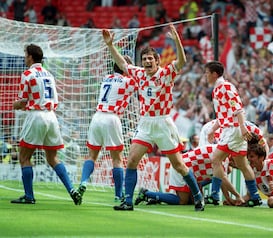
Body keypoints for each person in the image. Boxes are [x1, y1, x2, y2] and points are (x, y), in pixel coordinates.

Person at [102, 24, 205, 211]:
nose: (147, 61)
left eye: (150, 58)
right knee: (132, 159)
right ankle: (128, 201)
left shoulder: (166, 73)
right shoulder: (139, 74)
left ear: (157, 61)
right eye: (144, 59)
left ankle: (198, 196)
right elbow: (123, 63)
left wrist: (177, 42)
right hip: (145, 123)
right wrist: (110, 45)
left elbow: (181, 62)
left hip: (163, 123)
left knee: (179, 166)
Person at [11, 44, 81, 205]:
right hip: (51, 116)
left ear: (30, 56)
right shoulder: (49, 74)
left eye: (25, 54)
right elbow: (55, 101)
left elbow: (23, 101)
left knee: (24, 157)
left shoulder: (27, 74)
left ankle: (29, 196)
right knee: (53, 158)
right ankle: (71, 190)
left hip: (36, 116)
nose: (24, 57)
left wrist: (16, 104)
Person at [76, 56, 137, 202]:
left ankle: (84, 181)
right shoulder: (128, 81)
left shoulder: (106, 78)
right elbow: (141, 80)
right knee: (117, 159)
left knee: (92, 156)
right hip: (112, 118)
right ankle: (117, 195)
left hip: (97, 117)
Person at [203, 61, 262, 207]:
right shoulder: (217, 89)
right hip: (230, 129)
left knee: (216, 159)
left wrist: (242, 127)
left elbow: (238, 107)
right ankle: (255, 197)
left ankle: (215, 195)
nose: (205, 75)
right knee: (243, 165)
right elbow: (224, 115)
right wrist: (213, 129)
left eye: (207, 73)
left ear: (214, 74)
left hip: (233, 129)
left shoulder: (226, 86)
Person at [134, 144, 244, 206]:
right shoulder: (222, 158)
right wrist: (238, 196)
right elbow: (223, 179)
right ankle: (147, 194)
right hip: (182, 167)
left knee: (191, 202)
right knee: (182, 201)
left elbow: (220, 178)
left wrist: (229, 198)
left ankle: (159, 198)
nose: (237, 166)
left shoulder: (222, 154)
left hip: (191, 171)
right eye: (238, 164)